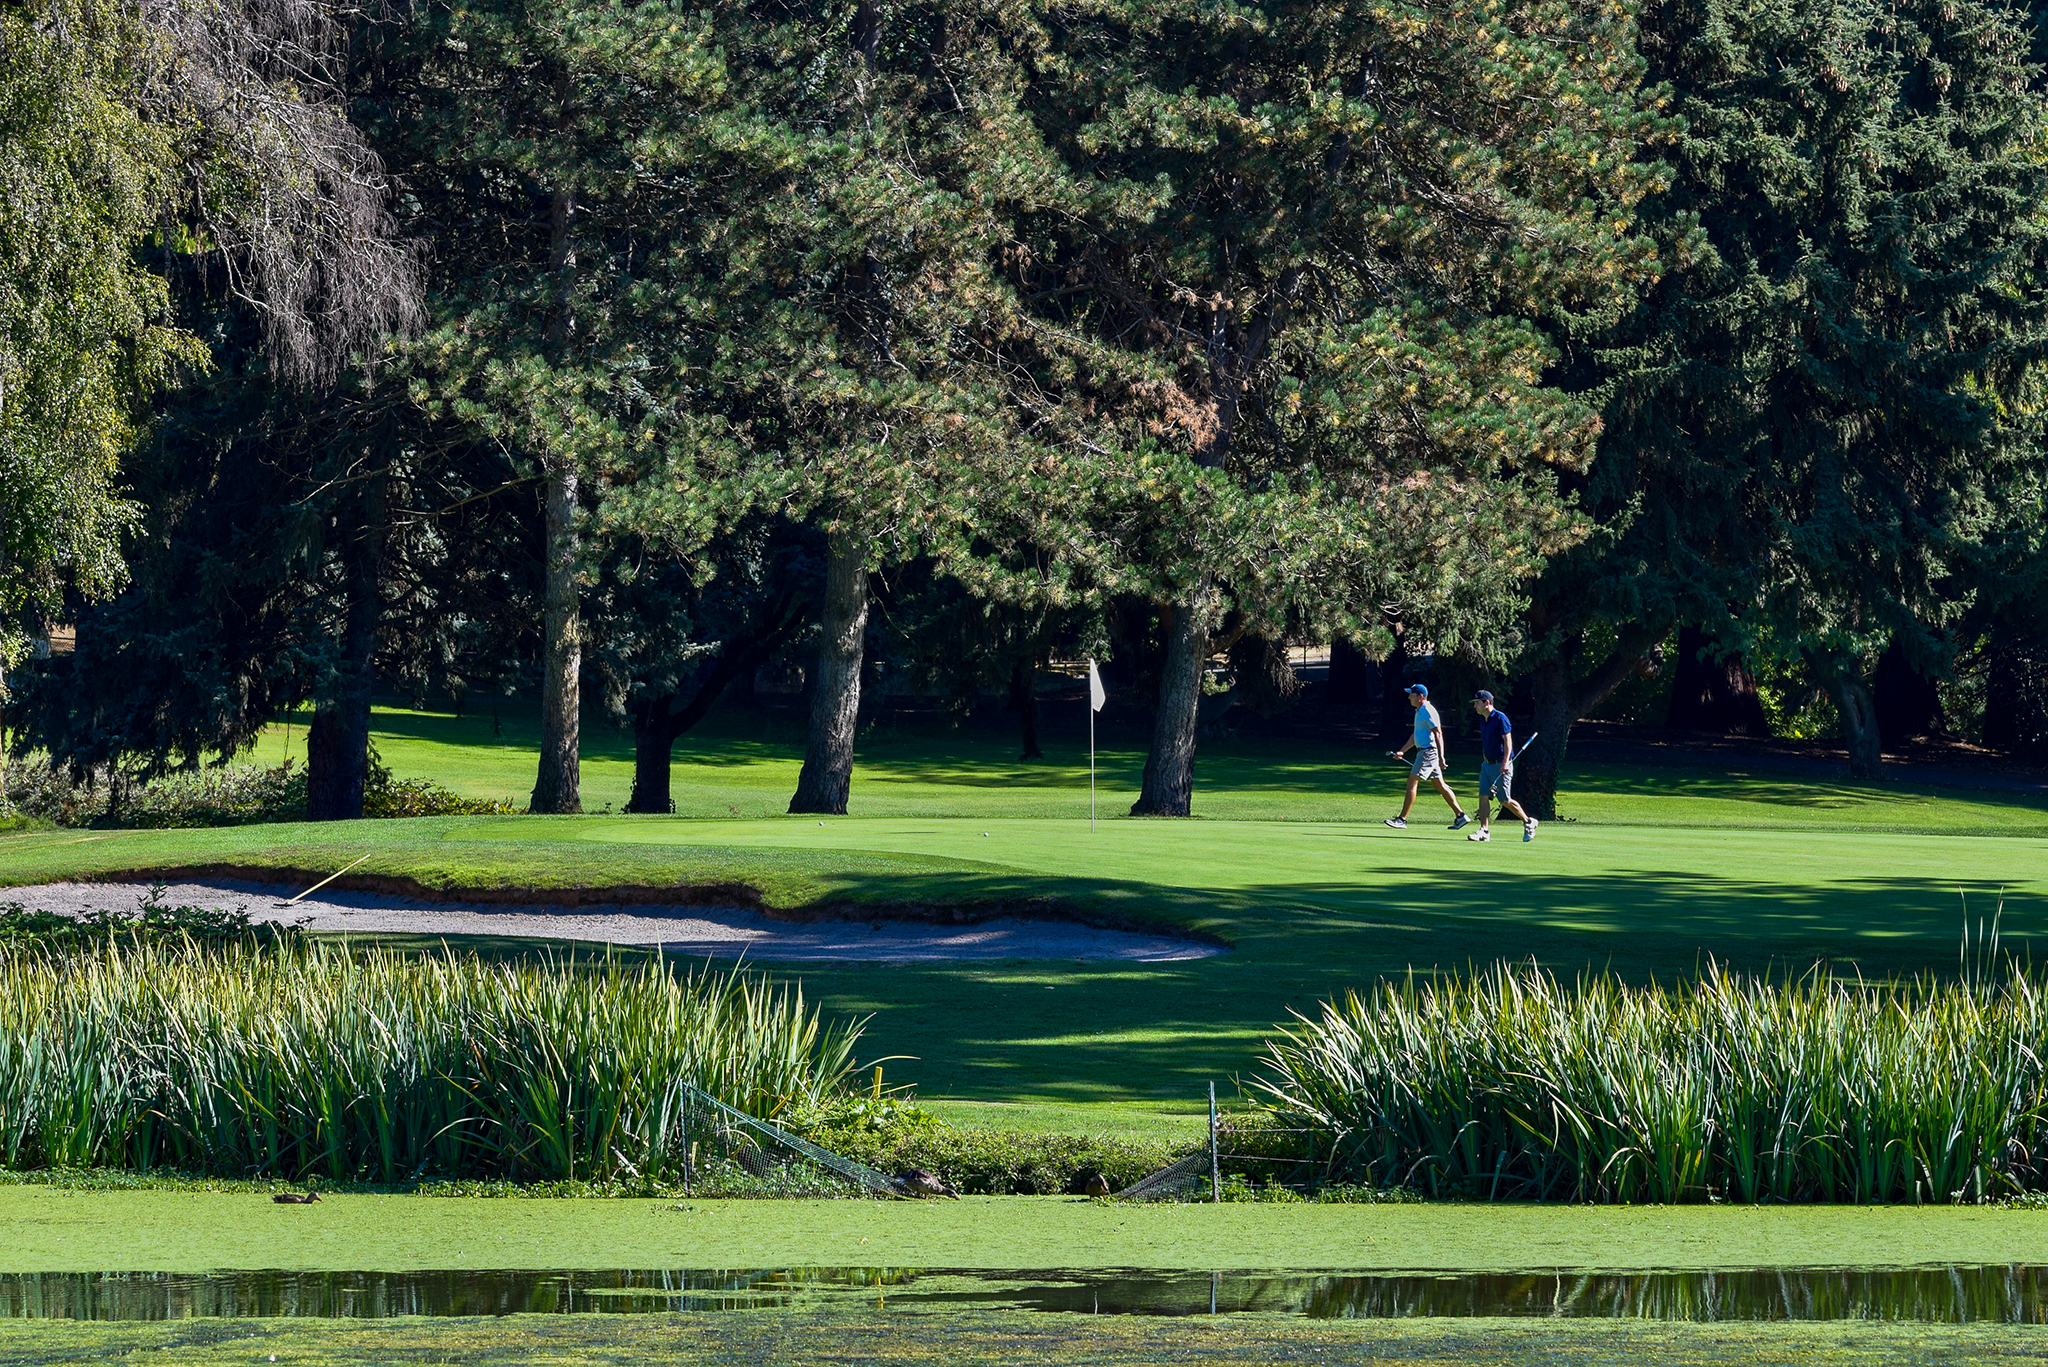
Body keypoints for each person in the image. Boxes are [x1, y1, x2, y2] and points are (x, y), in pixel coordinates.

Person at [1385, 683, 1469, 831]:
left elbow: (1438, 733)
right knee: (1439, 785)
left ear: (1421, 697)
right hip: (1425, 751)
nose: (1409, 696)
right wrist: (1402, 751)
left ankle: (1402, 819)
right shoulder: (1419, 711)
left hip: (1428, 752)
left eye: (1412, 694)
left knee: (1411, 782)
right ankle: (1461, 815)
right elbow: (1415, 735)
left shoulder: (1428, 711)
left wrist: (1441, 757)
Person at [1468, 690, 1538, 843]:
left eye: (1477, 703)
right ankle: (1484, 831)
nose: (1475, 706)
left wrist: (1505, 762)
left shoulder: (1500, 718)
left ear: (1487, 703)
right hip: (1487, 765)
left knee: (1505, 800)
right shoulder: (1483, 720)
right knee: (1483, 796)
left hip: (1502, 765)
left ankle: (1528, 822)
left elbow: (1508, 741)